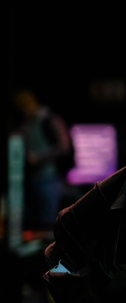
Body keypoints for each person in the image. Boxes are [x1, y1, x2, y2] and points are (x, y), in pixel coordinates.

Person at [11, 88, 74, 229]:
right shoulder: (26, 123)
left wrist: (39, 157)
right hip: (31, 178)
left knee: (48, 220)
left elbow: (64, 146)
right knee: (34, 220)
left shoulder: (48, 119)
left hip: (49, 177)